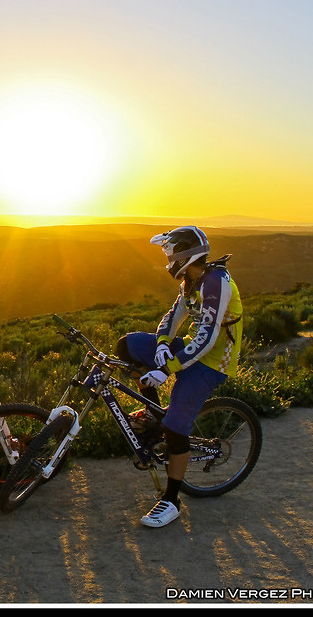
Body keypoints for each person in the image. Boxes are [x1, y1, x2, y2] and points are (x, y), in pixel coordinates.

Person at [116, 226, 243, 528]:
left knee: (176, 428)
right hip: (190, 350)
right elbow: (173, 318)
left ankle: (172, 501)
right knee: (128, 346)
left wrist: (166, 369)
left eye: (169, 252)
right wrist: (161, 346)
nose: (167, 258)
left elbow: (208, 339)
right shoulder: (191, 281)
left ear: (185, 253)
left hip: (212, 363)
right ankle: (152, 412)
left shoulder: (217, 282)